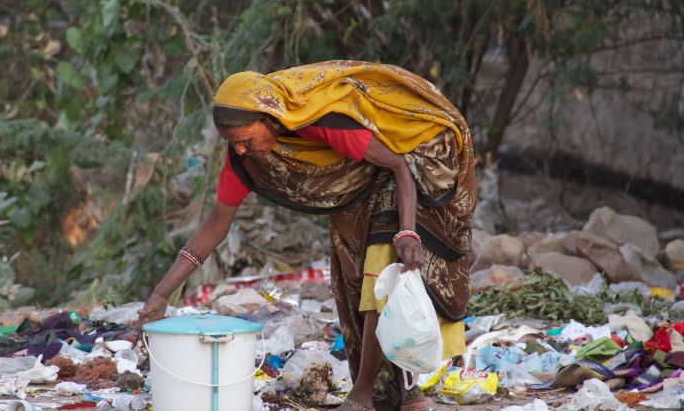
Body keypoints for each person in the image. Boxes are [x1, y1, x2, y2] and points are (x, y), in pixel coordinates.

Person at [137, 60, 476, 411]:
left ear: (269, 117)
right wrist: (161, 294)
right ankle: (404, 392)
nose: (240, 149)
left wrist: (408, 231)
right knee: (356, 282)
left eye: (245, 140)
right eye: (232, 143)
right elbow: (215, 225)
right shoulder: (244, 160)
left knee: (381, 275)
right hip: (359, 189)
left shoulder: (326, 121)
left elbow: (398, 165)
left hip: (406, 172)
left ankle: (361, 395)